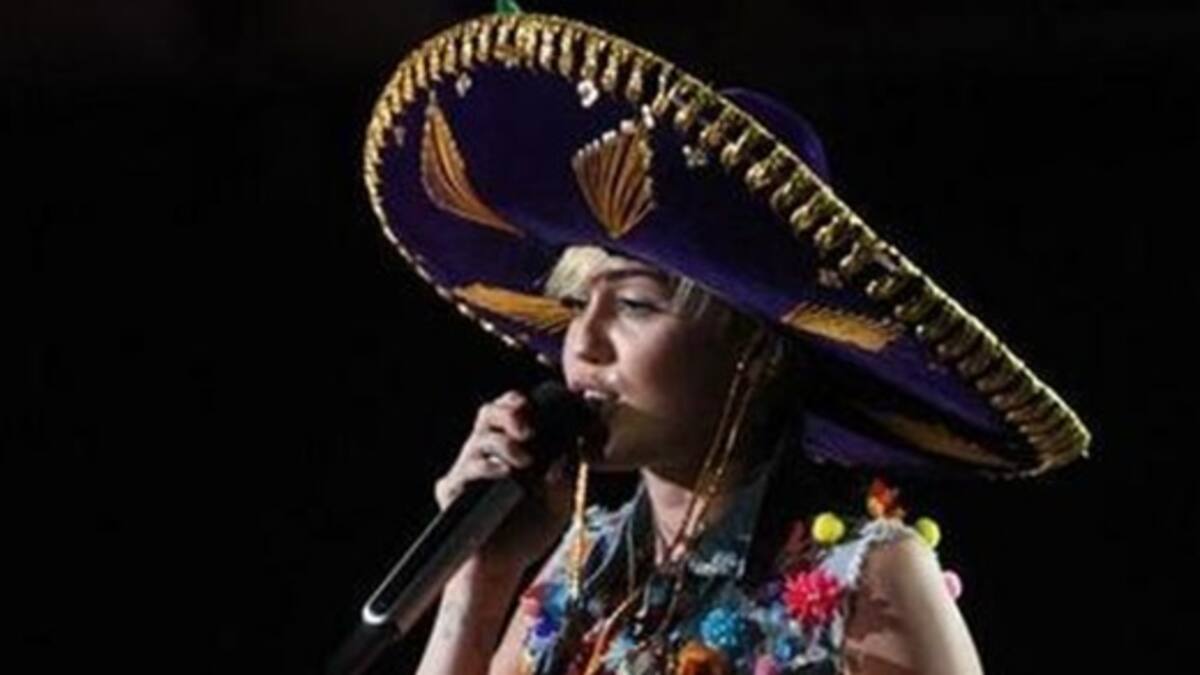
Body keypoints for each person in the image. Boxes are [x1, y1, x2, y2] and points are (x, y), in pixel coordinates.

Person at [360, 9, 1091, 673]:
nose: (584, 343)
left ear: (751, 350)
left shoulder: (866, 577)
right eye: (580, 304)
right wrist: (481, 576)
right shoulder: (571, 580)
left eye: (636, 304)